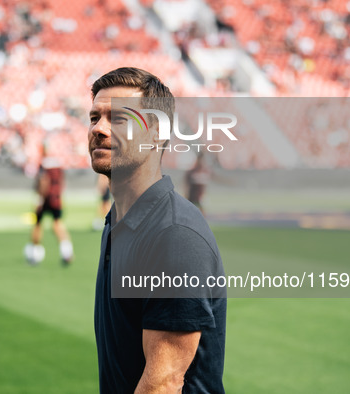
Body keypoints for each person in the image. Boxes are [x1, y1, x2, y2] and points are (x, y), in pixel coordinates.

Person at [89, 67, 226, 393]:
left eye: (119, 119)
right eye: (94, 117)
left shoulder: (174, 236)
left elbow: (163, 383)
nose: (99, 129)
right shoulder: (117, 221)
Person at [24, 149, 74, 266]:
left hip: (46, 199)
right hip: (56, 199)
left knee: (37, 225)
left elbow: (43, 181)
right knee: (57, 224)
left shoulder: (44, 165)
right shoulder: (57, 165)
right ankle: (66, 252)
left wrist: (39, 199)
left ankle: (35, 254)